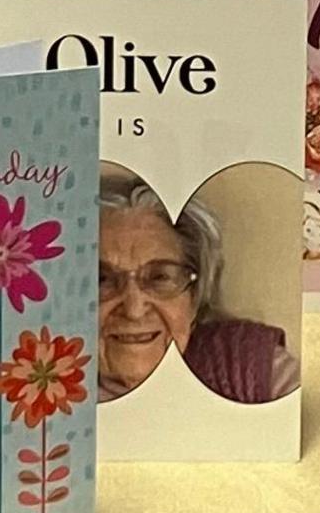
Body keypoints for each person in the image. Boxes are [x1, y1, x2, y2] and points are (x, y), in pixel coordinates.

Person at [96, 169, 296, 404]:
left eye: (160, 277)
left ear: (195, 296)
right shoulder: (47, 388)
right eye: (102, 280)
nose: (134, 309)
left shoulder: (247, 365)